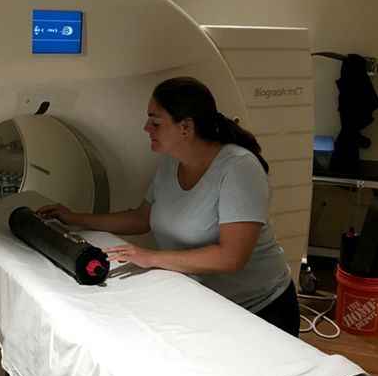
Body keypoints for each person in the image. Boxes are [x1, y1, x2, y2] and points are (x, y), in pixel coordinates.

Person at [38, 76, 300, 337]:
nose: (145, 128)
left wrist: (151, 258)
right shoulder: (171, 164)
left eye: (155, 122)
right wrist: (75, 218)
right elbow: (140, 218)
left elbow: (231, 258)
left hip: (262, 311)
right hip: (207, 302)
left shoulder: (239, 169)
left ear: (185, 127)